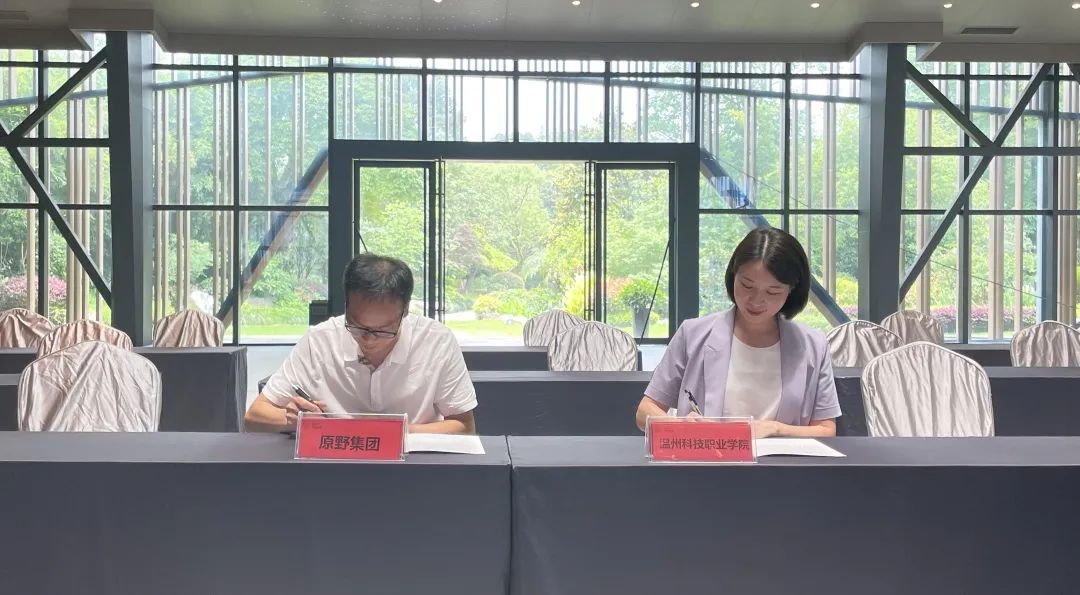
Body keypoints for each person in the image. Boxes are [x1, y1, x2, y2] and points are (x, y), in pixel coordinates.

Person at [635, 227, 840, 438]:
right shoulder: (693, 334)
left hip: (782, 459)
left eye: (772, 291)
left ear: (791, 290)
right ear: (733, 275)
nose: (756, 301)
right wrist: (681, 425)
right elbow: (644, 411)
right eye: (747, 285)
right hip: (708, 458)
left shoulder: (813, 345)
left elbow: (826, 430)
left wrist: (775, 428)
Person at [245, 253, 477, 434]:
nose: (369, 339)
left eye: (383, 330)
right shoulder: (320, 340)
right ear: (346, 306)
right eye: (357, 326)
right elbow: (254, 416)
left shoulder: (436, 341)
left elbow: (464, 426)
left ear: (405, 312)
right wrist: (294, 420)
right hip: (333, 466)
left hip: (412, 466)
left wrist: (392, 432)